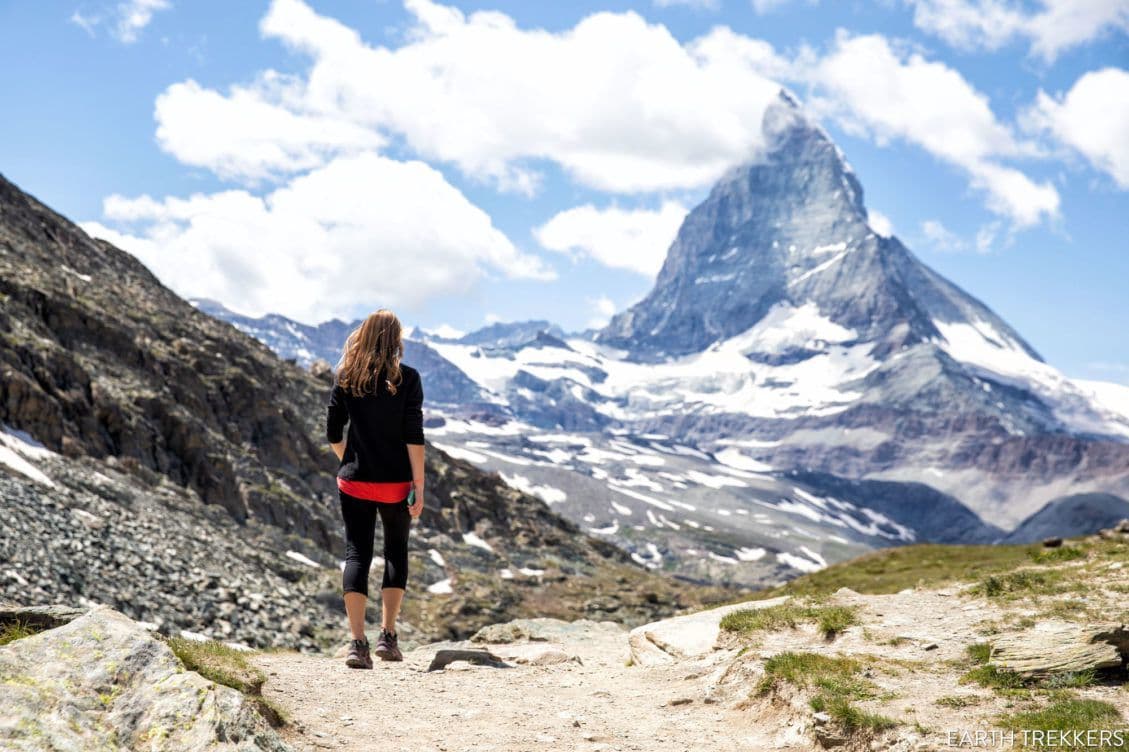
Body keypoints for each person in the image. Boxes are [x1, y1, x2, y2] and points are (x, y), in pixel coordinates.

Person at [326, 309, 425, 668]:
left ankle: (356, 644)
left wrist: (349, 458)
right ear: (396, 340)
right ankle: (388, 637)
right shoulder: (409, 379)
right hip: (396, 485)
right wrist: (419, 485)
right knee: (396, 553)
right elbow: (414, 435)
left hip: (354, 481)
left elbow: (333, 432)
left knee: (357, 555)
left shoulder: (346, 377)